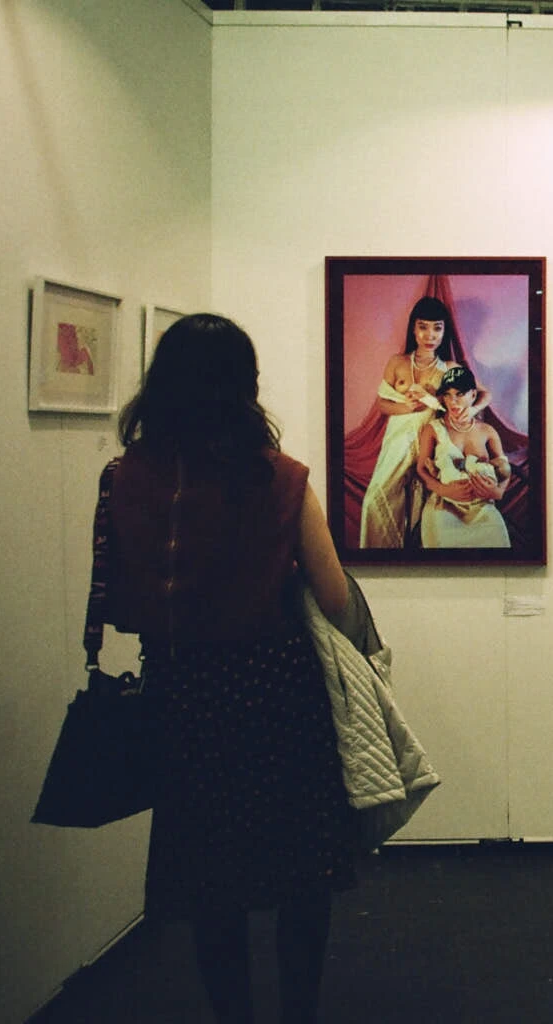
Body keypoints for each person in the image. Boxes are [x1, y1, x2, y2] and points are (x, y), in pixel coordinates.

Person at [102, 313, 356, 1024]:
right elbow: (334, 597)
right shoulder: (279, 478)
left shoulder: (125, 477)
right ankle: (297, 1012)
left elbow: (125, 599)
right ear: (244, 386)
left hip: (186, 696)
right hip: (278, 692)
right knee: (301, 876)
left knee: (215, 885)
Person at [358, 296, 461, 548]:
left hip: (430, 438)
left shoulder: (450, 368)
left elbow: (481, 395)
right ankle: (379, 556)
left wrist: (459, 409)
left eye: (437, 328)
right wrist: (408, 406)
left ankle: (414, 555)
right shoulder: (397, 362)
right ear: (413, 329)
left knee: (424, 502)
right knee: (376, 497)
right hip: (399, 437)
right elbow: (383, 404)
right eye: (423, 327)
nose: (430, 335)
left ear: (445, 331)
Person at [415, 366, 511, 548]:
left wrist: (498, 492)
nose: (453, 401)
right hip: (444, 505)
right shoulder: (434, 429)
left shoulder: (487, 431)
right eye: (448, 395)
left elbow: (504, 467)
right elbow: (421, 468)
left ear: (473, 395)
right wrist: (442, 490)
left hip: (483, 507)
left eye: (459, 394)